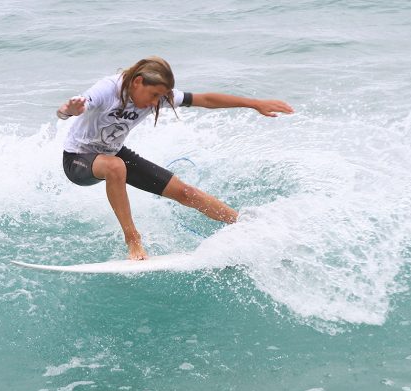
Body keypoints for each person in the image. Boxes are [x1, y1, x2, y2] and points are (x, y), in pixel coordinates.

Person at [57, 56, 293, 260]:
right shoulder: (109, 89)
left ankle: (245, 225)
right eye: (154, 95)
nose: (156, 102)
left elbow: (205, 100)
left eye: (160, 96)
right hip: (78, 158)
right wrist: (69, 110)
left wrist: (254, 104)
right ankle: (133, 240)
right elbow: (71, 108)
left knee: (185, 192)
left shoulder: (159, 96)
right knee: (116, 167)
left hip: (111, 152)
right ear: (138, 82)